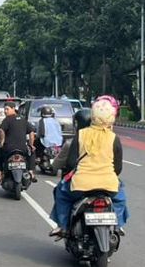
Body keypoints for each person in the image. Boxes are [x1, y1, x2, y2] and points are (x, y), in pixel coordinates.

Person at [48, 96, 128, 238]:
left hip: (81, 185)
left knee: (61, 193)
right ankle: (118, 225)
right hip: (108, 186)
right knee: (120, 198)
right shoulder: (114, 138)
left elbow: (72, 163)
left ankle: (63, 226)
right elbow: (118, 168)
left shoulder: (80, 135)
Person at [0, 102, 34, 184]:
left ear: (13, 108)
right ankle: (31, 172)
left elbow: (1, 130)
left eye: (7, 109)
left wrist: (2, 142)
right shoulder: (23, 119)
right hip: (23, 149)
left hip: (9, 149)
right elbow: (31, 133)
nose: (5, 111)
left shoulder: (7, 120)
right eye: (5, 109)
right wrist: (31, 145)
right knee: (32, 151)